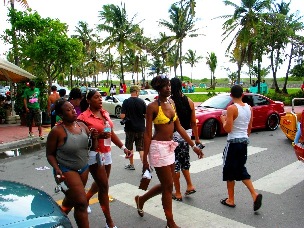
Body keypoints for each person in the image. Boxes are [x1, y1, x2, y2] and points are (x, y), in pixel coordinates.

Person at [134, 75, 204, 228]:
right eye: (165, 86)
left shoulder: (172, 103)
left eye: (169, 85)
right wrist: (145, 159)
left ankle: (142, 199)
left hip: (170, 147)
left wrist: (193, 145)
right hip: (158, 148)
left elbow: (179, 127)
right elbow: (147, 134)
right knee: (168, 187)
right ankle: (170, 222)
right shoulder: (153, 107)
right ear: (158, 88)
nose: (168, 88)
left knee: (167, 184)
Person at [77, 90, 131, 228]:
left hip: (106, 153)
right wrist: (96, 137)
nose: (100, 99)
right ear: (88, 100)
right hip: (94, 155)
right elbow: (80, 138)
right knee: (104, 186)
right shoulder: (83, 117)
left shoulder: (105, 113)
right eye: (96, 97)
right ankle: (109, 222)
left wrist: (123, 148)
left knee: (102, 182)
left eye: (101, 97)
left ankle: (87, 198)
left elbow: (110, 133)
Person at [46, 99, 99, 228]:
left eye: (73, 109)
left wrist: (94, 138)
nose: (73, 112)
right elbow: (50, 154)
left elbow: (92, 149)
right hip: (66, 169)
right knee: (81, 203)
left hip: (83, 168)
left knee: (71, 199)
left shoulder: (82, 126)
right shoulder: (57, 131)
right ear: (61, 115)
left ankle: (55, 221)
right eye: (68, 110)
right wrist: (56, 168)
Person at [220, 85, 262, 211]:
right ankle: (254, 194)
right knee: (240, 168)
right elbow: (249, 128)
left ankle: (231, 200)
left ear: (231, 95)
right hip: (244, 142)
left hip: (233, 143)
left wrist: (223, 119)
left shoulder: (232, 108)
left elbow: (228, 129)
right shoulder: (249, 108)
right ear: (242, 95)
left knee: (228, 171)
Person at [170, 77, 202, 201]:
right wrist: (197, 139)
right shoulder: (189, 101)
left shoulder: (170, 102)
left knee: (175, 165)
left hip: (174, 137)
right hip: (187, 137)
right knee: (185, 162)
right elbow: (193, 122)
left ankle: (177, 193)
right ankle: (189, 185)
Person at [120, 85, 146, 170]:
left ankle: (131, 165)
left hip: (129, 128)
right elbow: (146, 115)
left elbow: (122, 116)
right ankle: (145, 167)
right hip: (141, 128)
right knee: (141, 148)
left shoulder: (126, 102)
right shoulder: (142, 102)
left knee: (130, 147)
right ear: (136, 92)